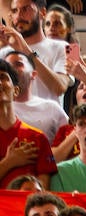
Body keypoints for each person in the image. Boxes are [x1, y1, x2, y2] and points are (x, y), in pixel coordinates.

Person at [0, 58, 54, 188]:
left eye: (3, 77)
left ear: (16, 91)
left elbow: (44, 191)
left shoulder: (37, 138)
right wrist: (9, 162)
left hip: (27, 207)